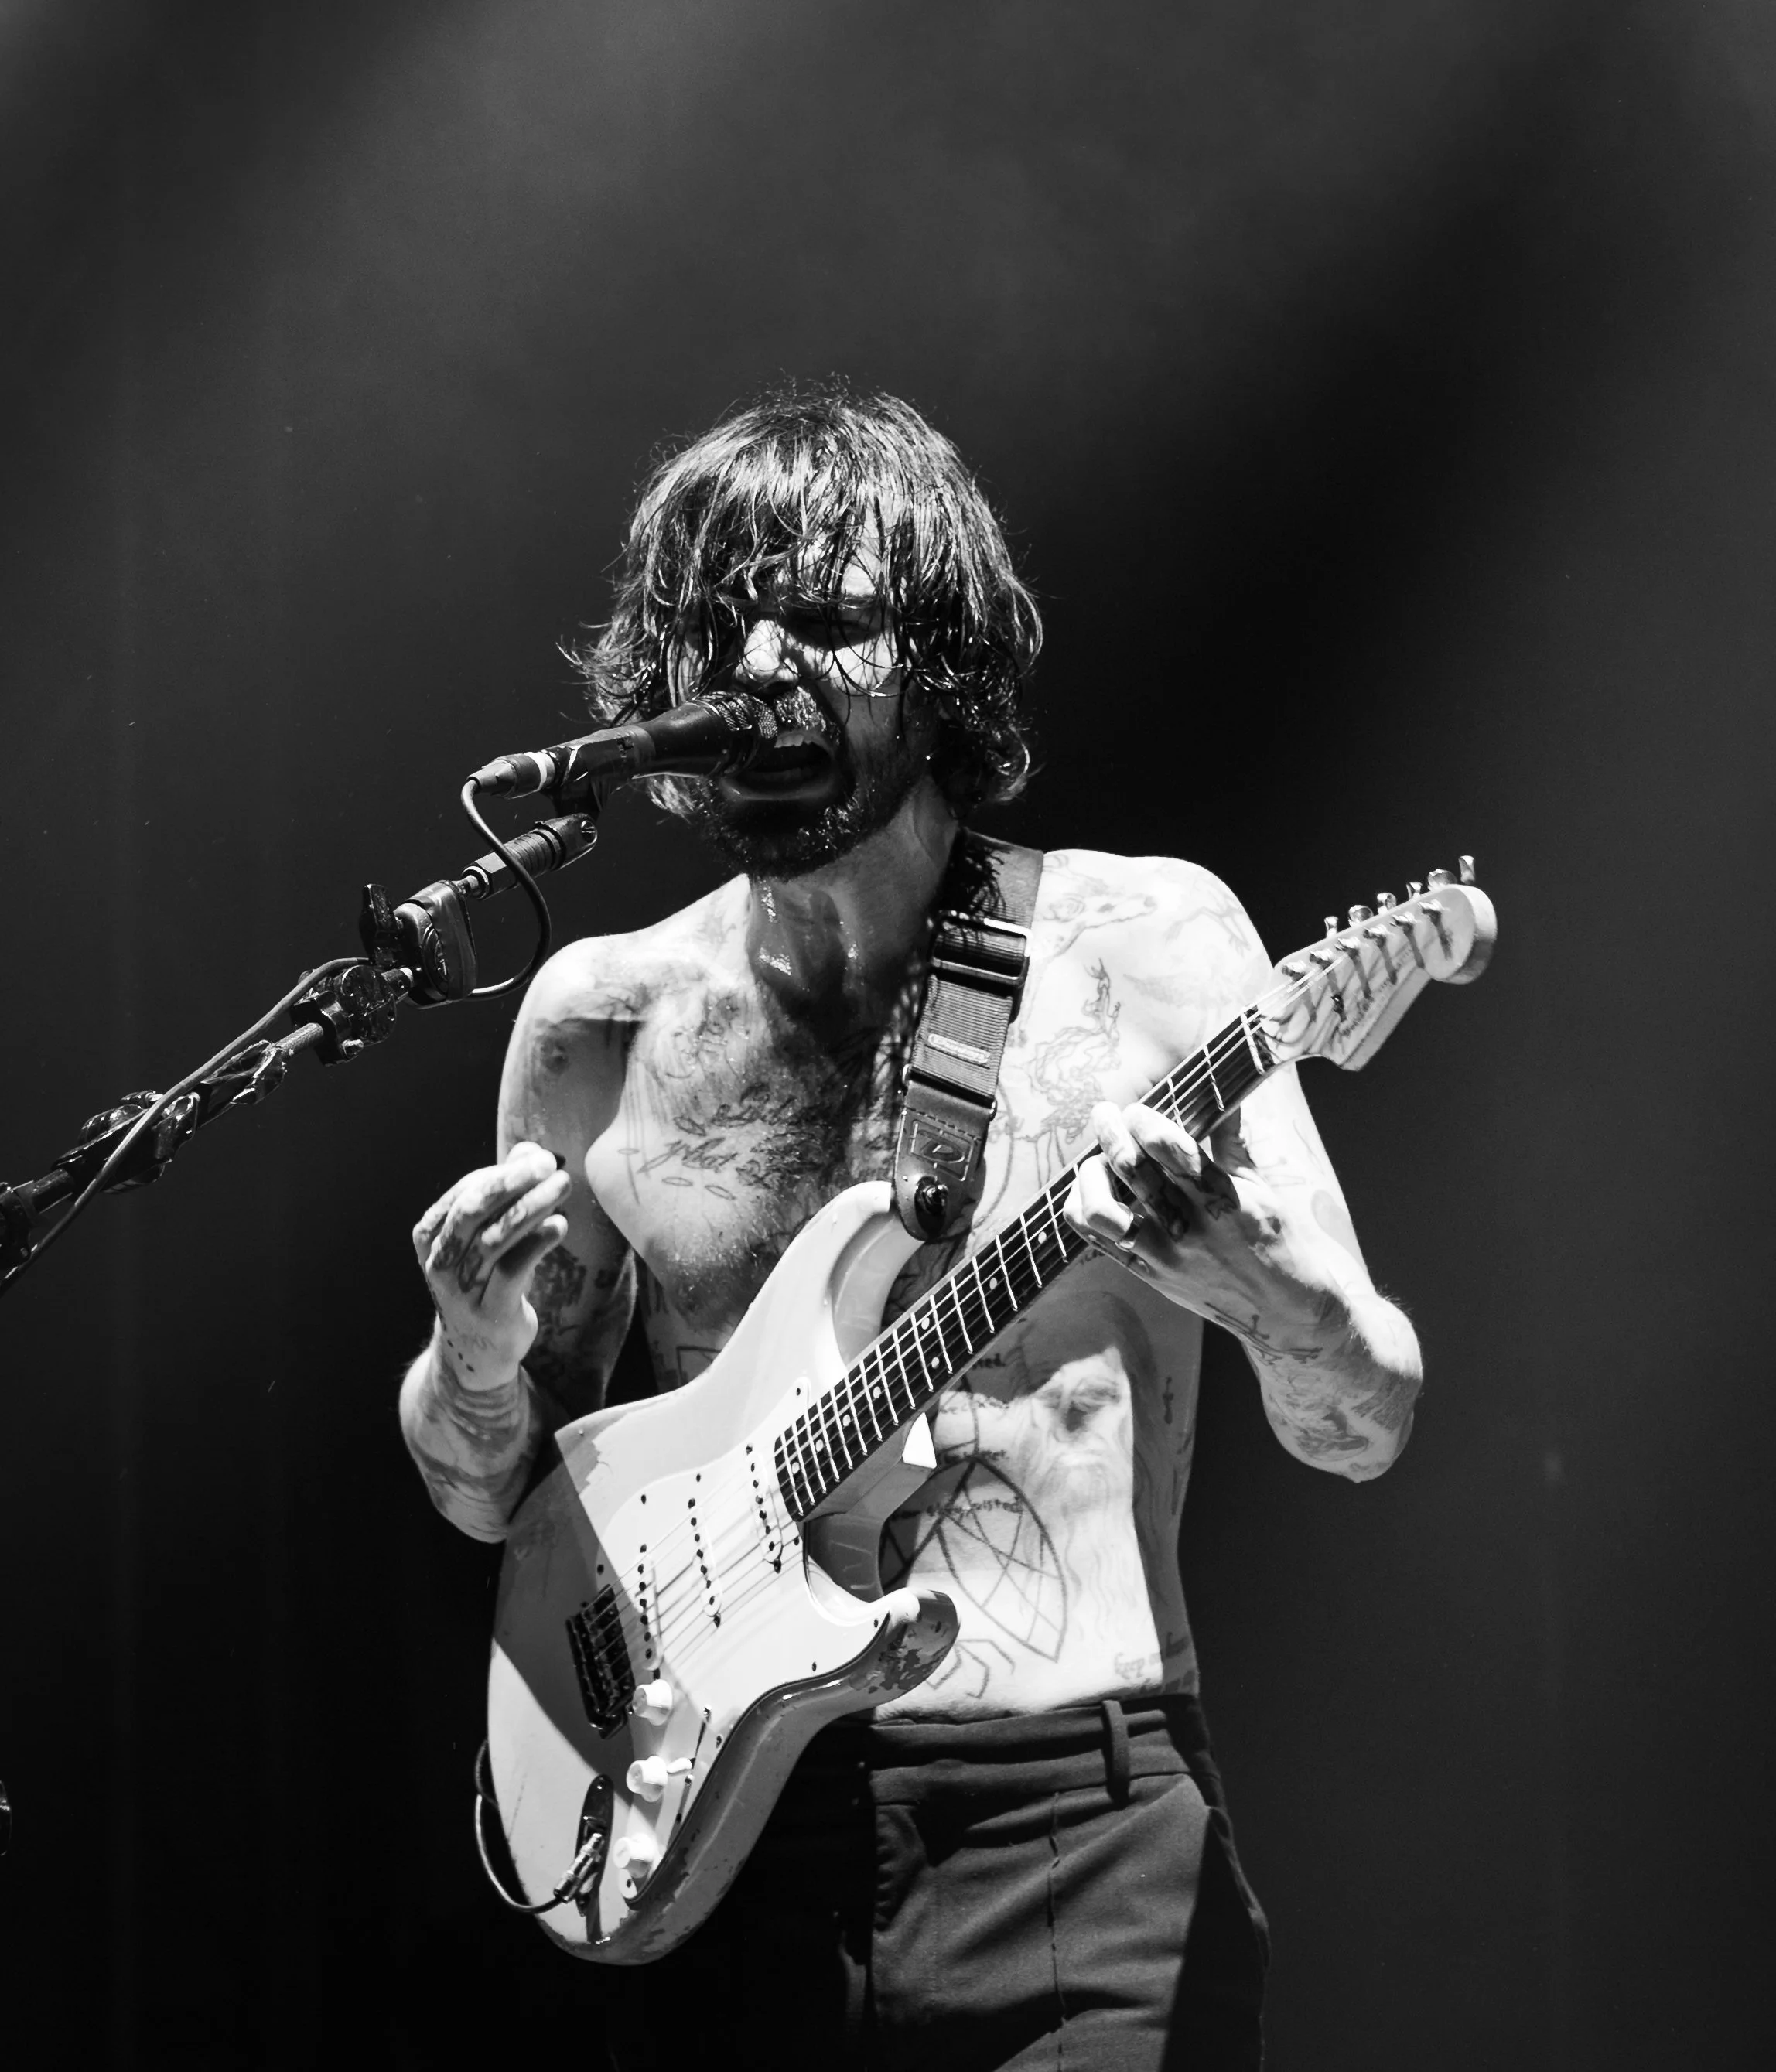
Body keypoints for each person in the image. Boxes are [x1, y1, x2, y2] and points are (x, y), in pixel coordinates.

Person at [400, 386, 1422, 2070]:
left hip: (1070, 1842)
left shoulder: (1147, 944)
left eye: (824, 618)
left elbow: (1364, 1419)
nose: (758, 666)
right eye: (716, 630)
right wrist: (473, 1361)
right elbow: (502, 1505)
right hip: (717, 1848)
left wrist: (1267, 1294)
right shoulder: (601, 1022)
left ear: (938, 658)